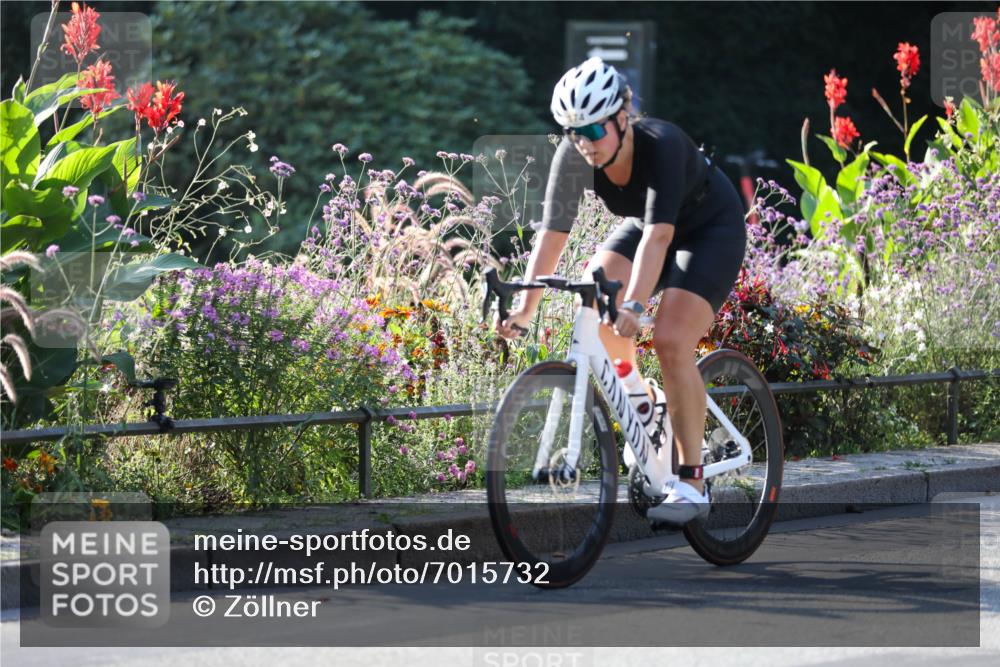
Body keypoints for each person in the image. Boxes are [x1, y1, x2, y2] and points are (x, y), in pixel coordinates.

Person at [494, 57, 747, 525]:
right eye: (572, 132)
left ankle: (692, 482)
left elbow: (659, 239)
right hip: (647, 225)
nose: (583, 144)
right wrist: (525, 307)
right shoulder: (574, 156)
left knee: (670, 339)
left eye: (592, 131)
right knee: (592, 293)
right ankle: (642, 403)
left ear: (622, 116)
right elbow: (551, 236)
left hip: (709, 228)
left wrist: (634, 302)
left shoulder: (662, 145)